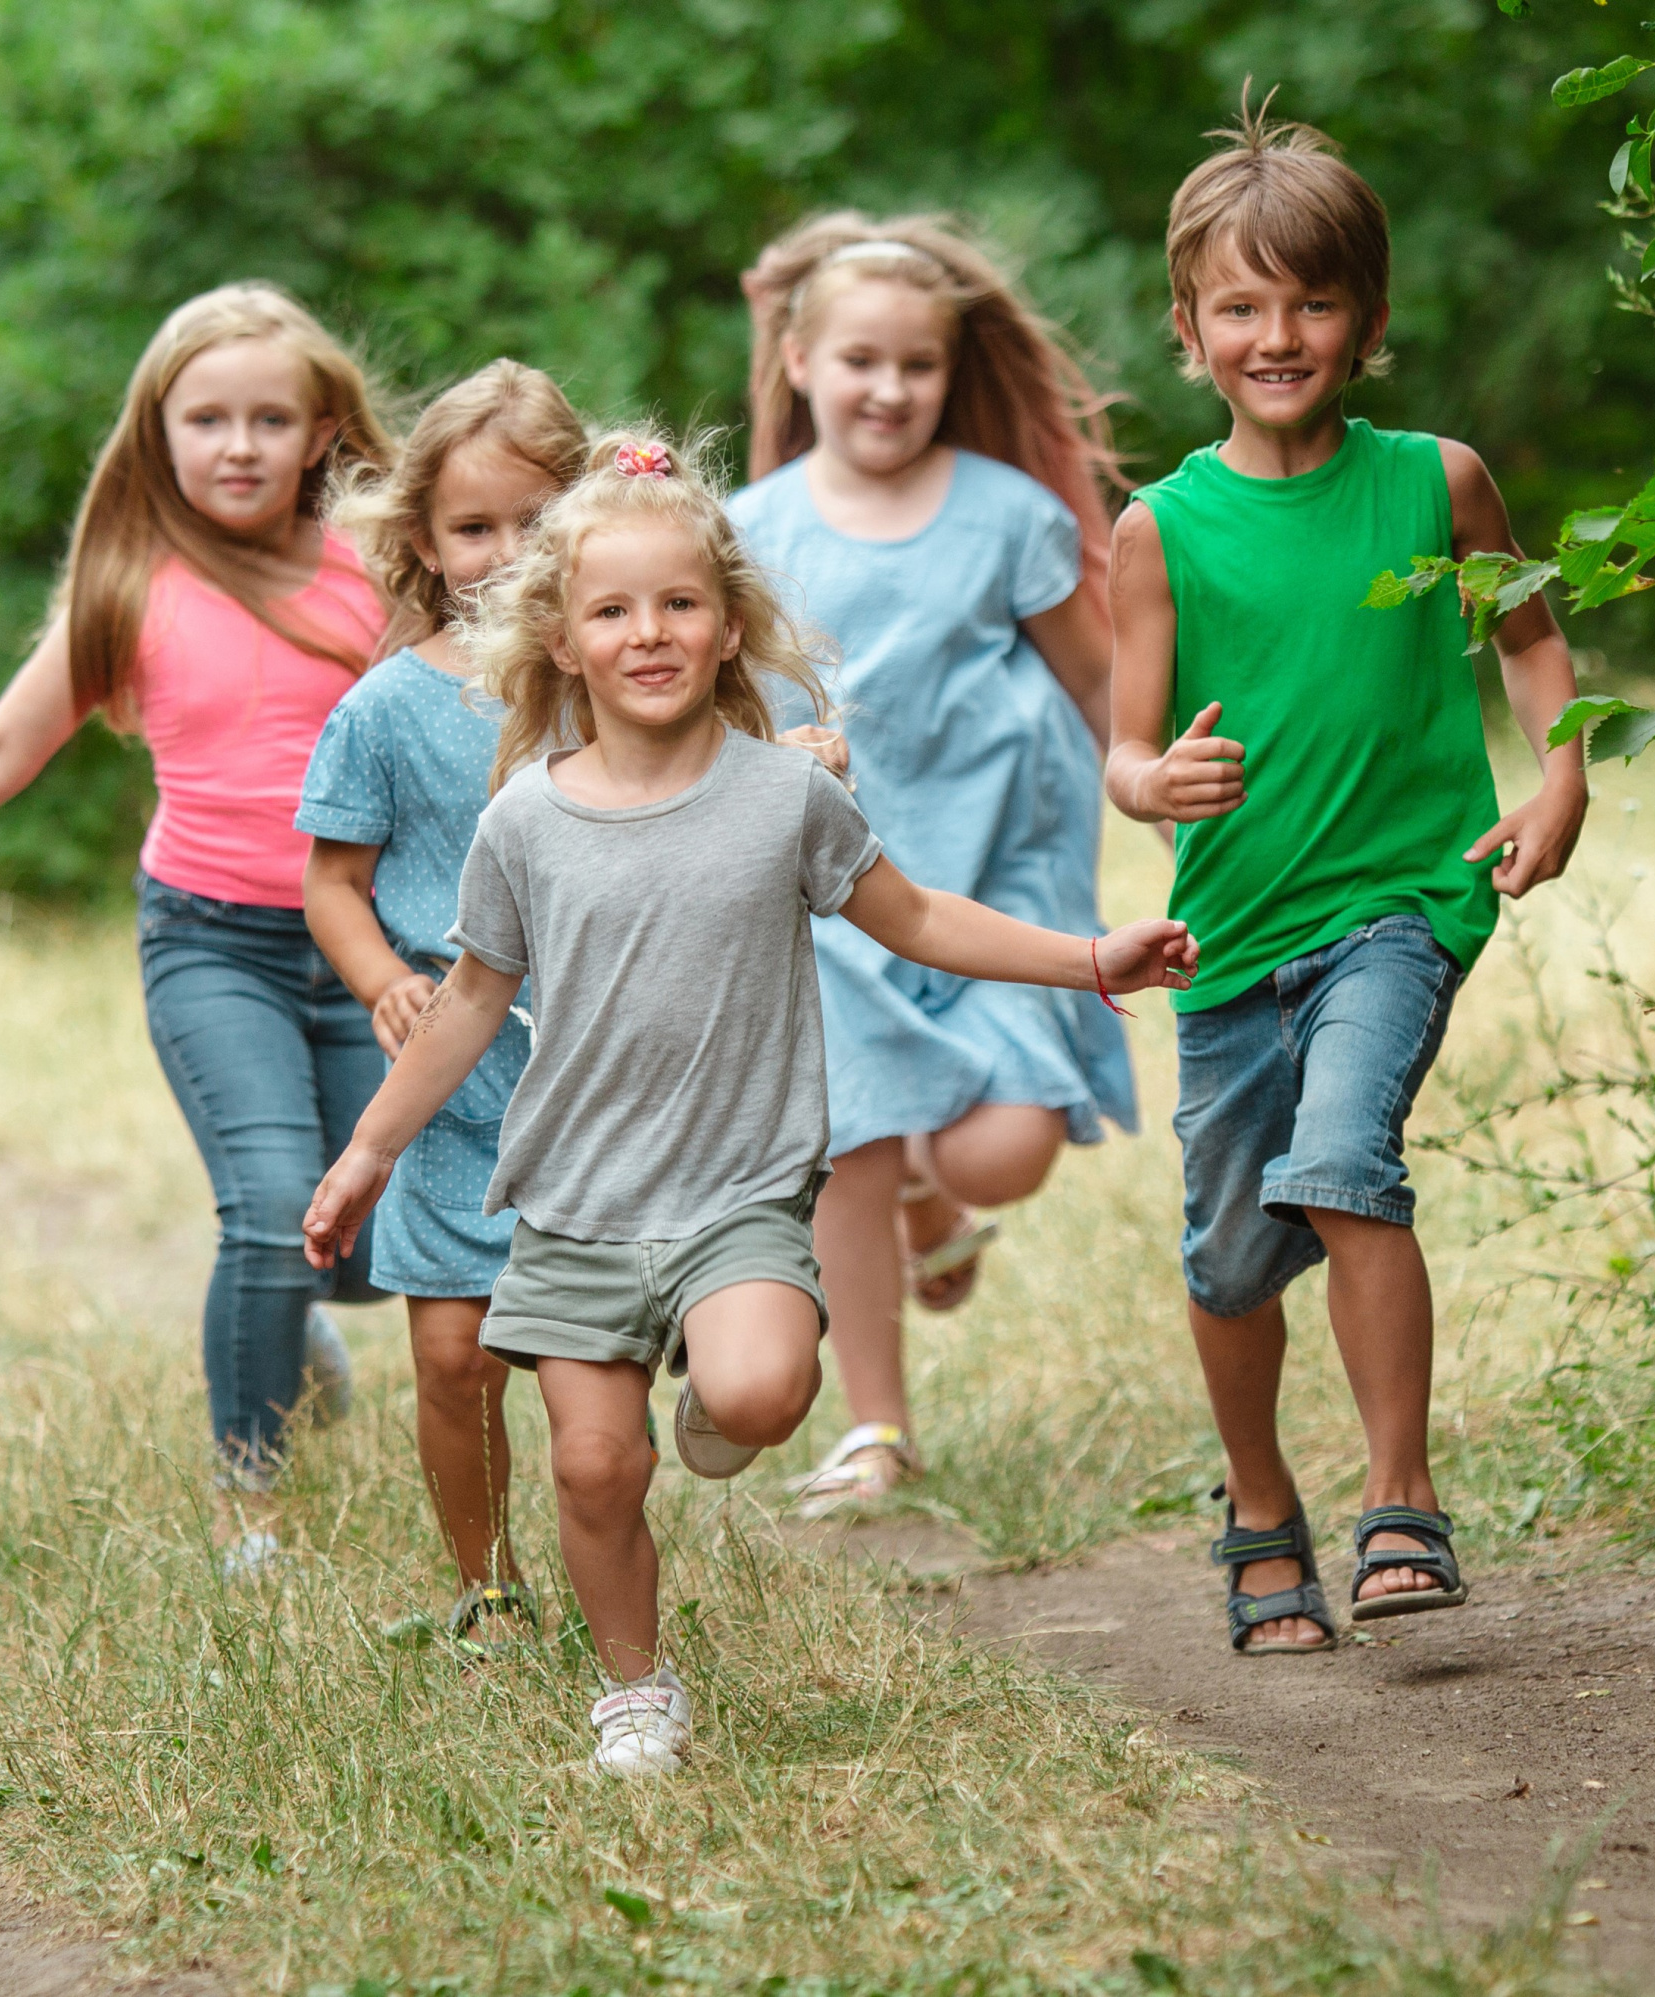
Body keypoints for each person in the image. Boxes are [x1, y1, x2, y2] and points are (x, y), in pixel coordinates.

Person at [302, 435, 1196, 1774]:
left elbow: (920, 918)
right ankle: (635, 1688)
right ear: (559, 636)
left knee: (767, 1392)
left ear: (729, 626)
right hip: (576, 1202)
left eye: (679, 605)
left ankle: (722, 1396)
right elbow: (474, 999)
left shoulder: (787, 796)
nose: (648, 633)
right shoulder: (526, 821)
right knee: (596, 1471)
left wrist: (1086, 956)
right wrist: (370, 1150)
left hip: (738, 1192)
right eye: (612, 610)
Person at [1105, 106, 1585, 1654]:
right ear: (1189, 328)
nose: (1278, 334)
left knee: (1344, 1153)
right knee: (1234, 1255)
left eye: (1312, 303)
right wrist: (1153, 781)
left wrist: (1561, 768)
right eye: (1241, 306)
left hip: (1402, 903)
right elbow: (1125, 748)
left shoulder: (1438, 483)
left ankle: (1403, 1499)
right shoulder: (1160, 527)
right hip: (1235, 933)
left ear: (1367, 319)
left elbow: (1528, 641)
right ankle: (1259, 1506)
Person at [0, 284, 390, 1573]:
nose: (236, 444)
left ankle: (304, 1319)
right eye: (206, 418)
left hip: (367, 942)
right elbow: (4, 742)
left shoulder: (377, 565)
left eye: (268, 417)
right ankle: (253, 1501)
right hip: (211, 941)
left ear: (320, 432)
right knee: (267, 1206)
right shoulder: (132, 584)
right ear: (157, 433)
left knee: (369, 1240)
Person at [728, 216, 1137, 1519]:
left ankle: (930, 1205)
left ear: (951, 372)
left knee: (1002, 1151)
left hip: (1002, 877)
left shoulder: (1005, 515)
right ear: (798, 361)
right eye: (859, 360)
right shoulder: (747, 529)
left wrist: (1180, 810)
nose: (888, 388)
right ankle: (876, 1427)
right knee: (852, 1143)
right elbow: (712, 715)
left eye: (916, 364)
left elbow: (1095, 676)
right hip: (838, 895)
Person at [298, 360, 588, 1654]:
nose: (507, 552)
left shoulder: (622, 683)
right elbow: (333, 884)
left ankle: (604, 1541)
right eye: (477, 528)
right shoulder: (383, 710)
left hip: (597, 1078)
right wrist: (382, 977)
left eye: (538, 521)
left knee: (585, 1360)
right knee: (454, 1358)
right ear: (423, 538)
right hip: (451, 1074)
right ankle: (490, 1581)